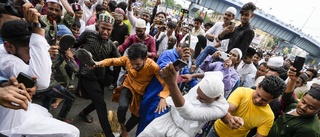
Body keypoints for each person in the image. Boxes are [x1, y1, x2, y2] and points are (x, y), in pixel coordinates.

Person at [0, 4, 79, 136]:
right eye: (30, 50)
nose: (34, 55)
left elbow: (75, 69)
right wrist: (38, 32)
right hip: (10, 123)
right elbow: (42, 81)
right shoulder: (3, 55)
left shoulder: (46, 47)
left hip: (25, 111)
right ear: (9, 46)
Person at [92, 43, 170, 137]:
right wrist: (98, 63)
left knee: (137, 116)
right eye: (132, 64)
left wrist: (163, 97)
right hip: (128, 86)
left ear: (145, 58)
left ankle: (124, 132)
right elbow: (113, 61)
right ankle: (122, 127)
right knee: (122, 107)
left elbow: (165, 83)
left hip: (140, 93)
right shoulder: (127, 59)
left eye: (138, 64)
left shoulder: (153, 67)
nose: (133, 67)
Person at [138, 71, 229, 137]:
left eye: (202, 98)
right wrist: (192, 76)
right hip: (167, 119)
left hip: (182, 133)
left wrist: (172, 84)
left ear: (216, 98)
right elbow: (211, 73)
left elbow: (189, 113)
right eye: (197, 93)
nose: (197, 98)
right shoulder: (215, 77)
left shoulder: (221, 109)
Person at [74, 13, 120, 137]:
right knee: (101, 104)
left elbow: (120, 60)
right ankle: (109, 134)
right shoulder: (88, 35)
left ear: (112, 30)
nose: (105, 32)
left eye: (108, 29)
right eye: (103, 28)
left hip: (100, 77)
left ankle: (83, 113)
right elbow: (73, 45)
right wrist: (69, 51)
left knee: (97, 101)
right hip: (86, 75)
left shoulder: (110, 45)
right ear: (98, 25)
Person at [207, 75, 286, 137]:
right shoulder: (242, 92)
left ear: (274, 99)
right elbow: (225, 110)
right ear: (258, 86)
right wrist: (230, 119)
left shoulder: (268, 117)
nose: (258, 100)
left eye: (264, 100)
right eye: (258, 95)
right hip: (215, 132)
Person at [268, 66, 320, 136]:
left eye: (311, 107)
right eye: (303, 102)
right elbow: (287, 97)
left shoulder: (309, 131)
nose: (302, 107)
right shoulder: (294, 106)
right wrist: (293, 80)